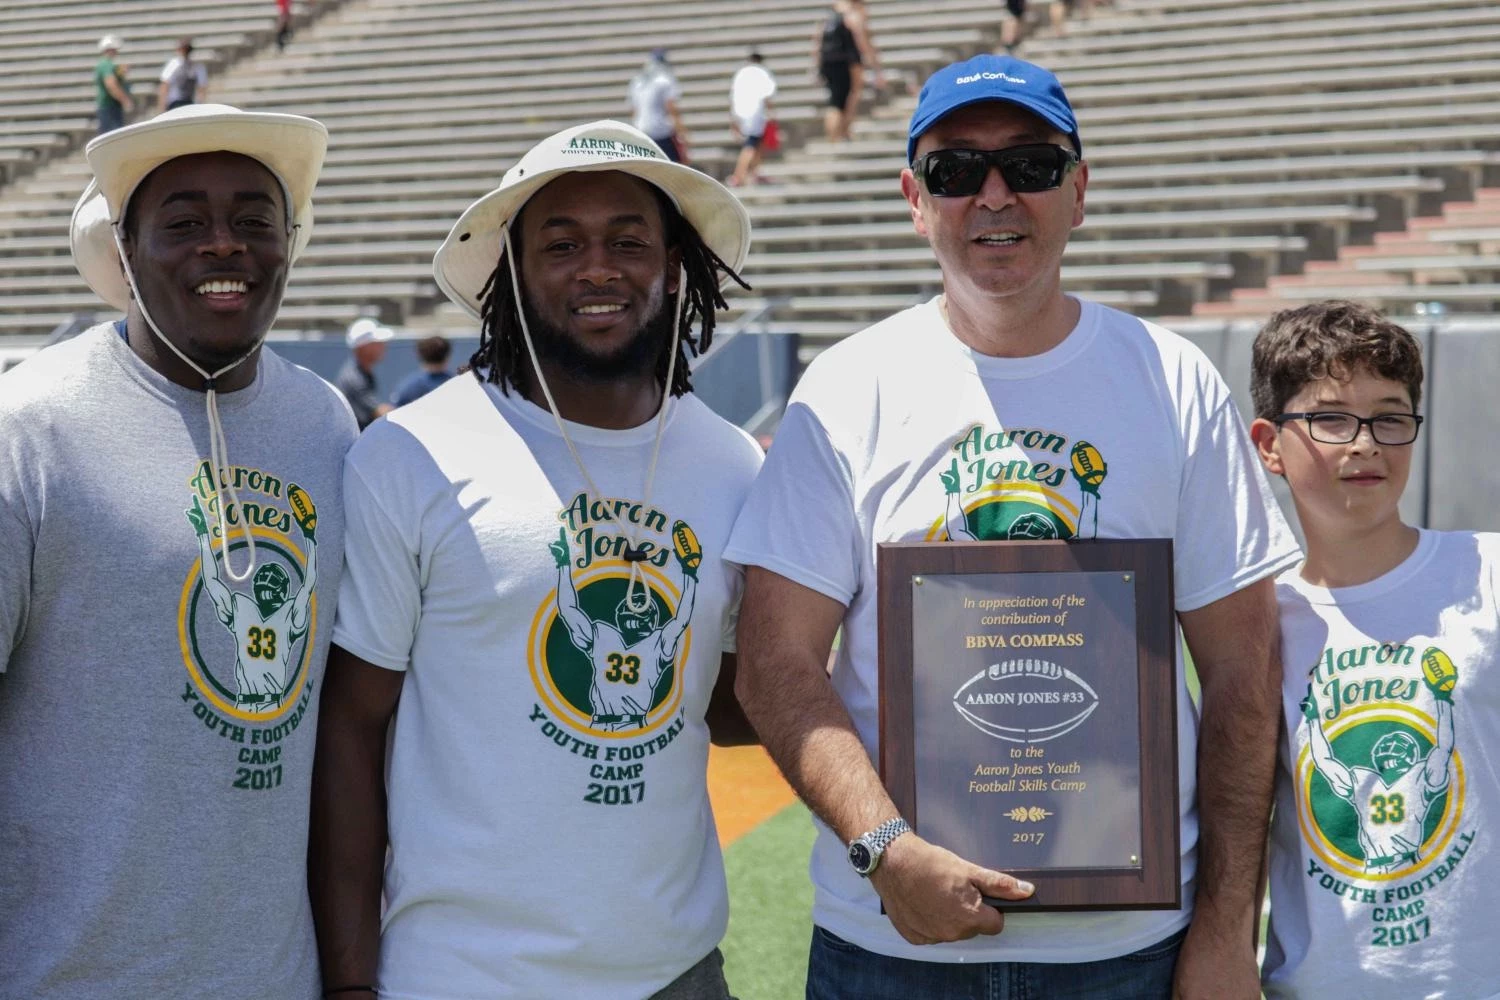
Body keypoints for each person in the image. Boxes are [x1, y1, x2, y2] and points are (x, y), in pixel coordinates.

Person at [722, 52, 1301, 999]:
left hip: (1131, 949)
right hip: (892, 948)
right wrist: (887, 850)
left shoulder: (1173, 380)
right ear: (916, 200)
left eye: (1030, 165)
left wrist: (1226, 929)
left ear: (1079, 191)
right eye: (956, 172)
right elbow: (775, 660)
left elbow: (1245, 670)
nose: (994, 194)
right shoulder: (847, 387)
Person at [308, 119, 762, 1000]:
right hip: (459, 977)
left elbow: (726, 700)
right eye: (562, 244)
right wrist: (353, 984)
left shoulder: (736, 465)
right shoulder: (414, 456)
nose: (599, 267)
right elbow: (352, 728)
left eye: (629, 241)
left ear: (675, 266)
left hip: (677, 973)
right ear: (512, 270)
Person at [0, 103, 355, 998]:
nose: (225, 245)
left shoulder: (327, 425)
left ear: (290, 244)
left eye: (252, 221)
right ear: (124, 250)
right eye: (185, 222)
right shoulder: (31, 429)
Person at [1248, 301, 1499, 998]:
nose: (1365, 444)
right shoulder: (1256, 623)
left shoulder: (1486, 575)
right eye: (1331, 419)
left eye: (1390, 417)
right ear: (1270, 443)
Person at [813, 0, 884, 141]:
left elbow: (817, 41)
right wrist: (875, 66)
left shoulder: (830, 14)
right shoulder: (853, 14)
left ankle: (834, 137)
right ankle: (843, 131)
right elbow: (861, 40)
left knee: (835, 101)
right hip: (849, 61)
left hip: (828, 61)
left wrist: (816, 66)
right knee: (850, 96)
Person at [630, 48, 689, 164]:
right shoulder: (665, 80)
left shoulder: (637, 81)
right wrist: (682, 132)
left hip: (641, 131)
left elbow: (634, 111)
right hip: (660, 132)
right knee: (674, 165)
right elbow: (671, 108)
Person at [728, 51, 776, 187]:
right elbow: (767, 96)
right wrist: (772, 112)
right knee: (751, 145)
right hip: (756, 114)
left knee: (758, 144)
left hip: (741, 112)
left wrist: (733, 119)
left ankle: (755, 172)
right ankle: (738, 175)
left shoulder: (740, 74)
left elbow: (733, 97)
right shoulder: (762, 73)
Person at [337, 317, 394, 429]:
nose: (384, 346)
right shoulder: (354, 378)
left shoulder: (362, 371)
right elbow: (381, 413)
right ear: (364, 347)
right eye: (377, 342)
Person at [390, 335, 453, 407]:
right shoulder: (455, 384)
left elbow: (395, 411)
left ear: (419, 354)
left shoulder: (408, 387)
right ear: (448, 355)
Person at [94, 35, 133, 135]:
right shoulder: (106, 65)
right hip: (110, 107)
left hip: (110, 106)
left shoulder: (105, 64)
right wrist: (125, 100)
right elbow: (111, 84)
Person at [158, 37, 208, 112]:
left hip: (185, 102)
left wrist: (162, 106)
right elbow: (202, 87)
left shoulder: (175, 64)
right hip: (177, 103)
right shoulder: (176, 64)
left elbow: (164, 85)